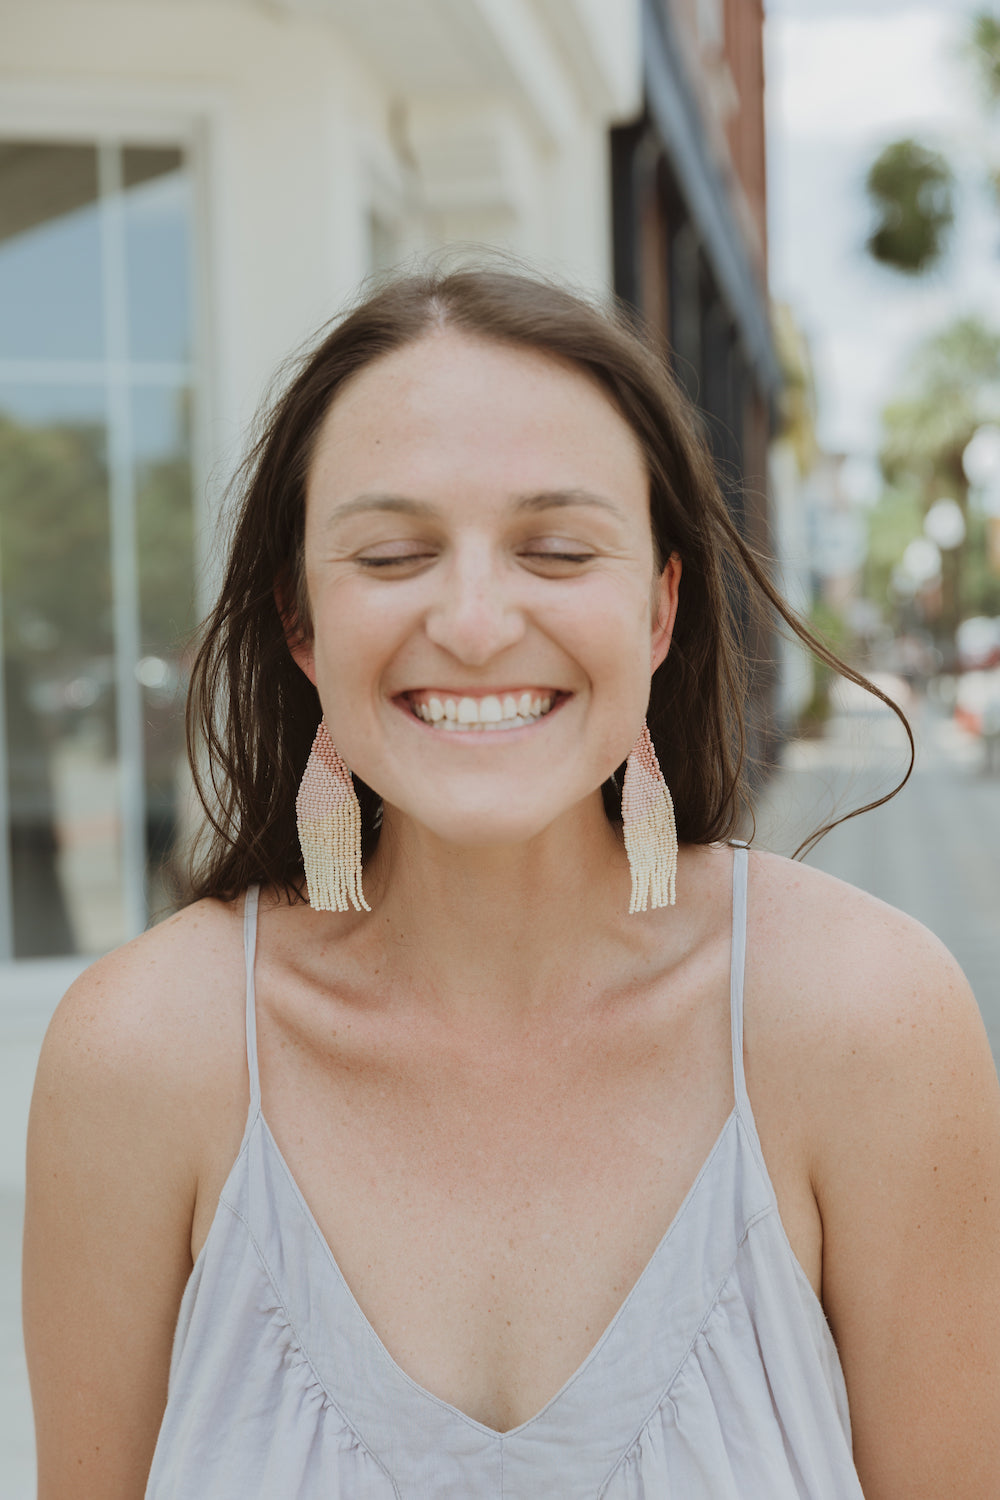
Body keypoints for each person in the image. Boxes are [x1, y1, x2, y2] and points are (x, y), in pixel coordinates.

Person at [23, 267, 1000, 1500]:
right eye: (393, 554)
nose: (476, 624)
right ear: (301, 623)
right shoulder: (140, 1057)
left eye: (555, 549)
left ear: (658, 611)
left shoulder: (868, 1022)